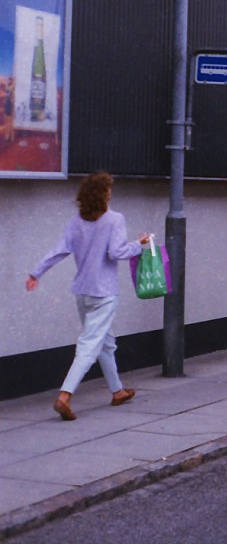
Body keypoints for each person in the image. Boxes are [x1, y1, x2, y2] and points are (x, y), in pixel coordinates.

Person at [26, 172, 149, 421]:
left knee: (104, 343)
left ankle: (118, 392)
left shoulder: (75, 223)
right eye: (109, 190)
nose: (111, 193)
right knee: (89, 345)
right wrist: (139, 244)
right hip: (104, 293)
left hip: (82, 293)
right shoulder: (114, 219)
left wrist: (36, 273)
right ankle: (65, 395)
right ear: (103, 194)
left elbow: (58, 251)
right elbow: (116, 252)